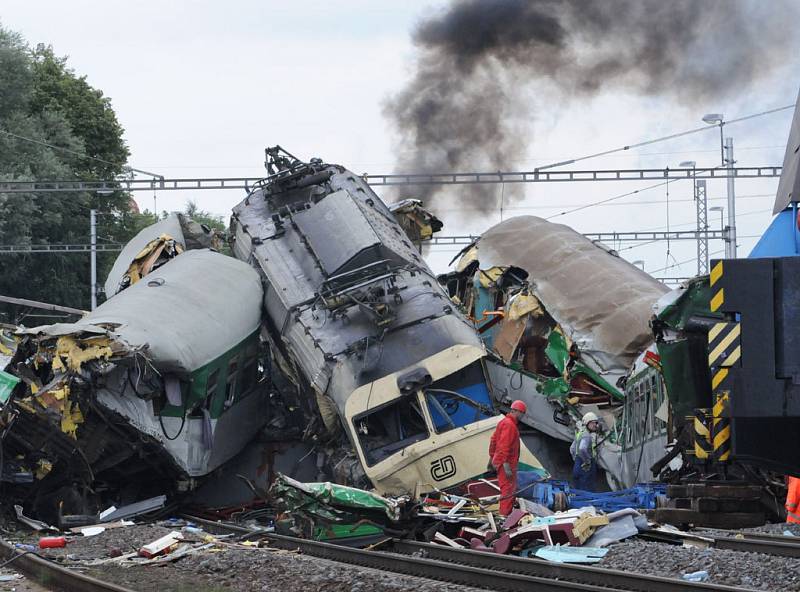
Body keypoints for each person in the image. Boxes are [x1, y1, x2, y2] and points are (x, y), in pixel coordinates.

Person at [488, 400, 526, 516]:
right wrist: (505, 465)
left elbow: (494, 441)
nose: (523, 416)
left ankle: (506, 515)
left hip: (503, 463)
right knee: (508, 493)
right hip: (507, 465)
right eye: (522, 413)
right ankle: (504, 519)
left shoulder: (504, 422)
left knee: (507, 491)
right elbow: (503, 446)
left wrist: (492, 458)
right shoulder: (510, 425)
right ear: (517, 412)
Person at [571, 411, 601, 491]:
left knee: (578, 491)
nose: (596, 425)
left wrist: (577, 460)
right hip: (586, 467)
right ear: (587, 423)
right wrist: (587, 461)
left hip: (577, 466)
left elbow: (572, 449)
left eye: (596, 423)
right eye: (593, 423)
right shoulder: (587, 436)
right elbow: (582, 448)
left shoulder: (580, 433)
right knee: (587, 491)